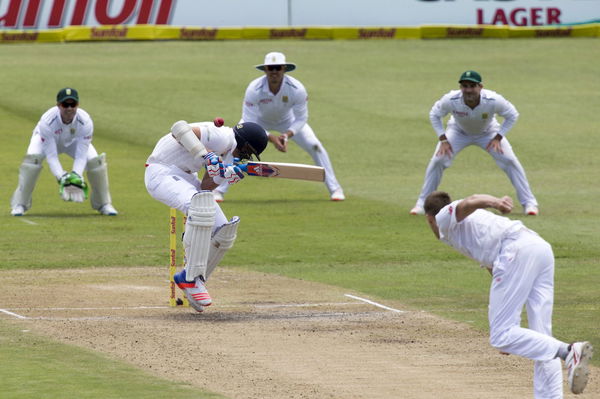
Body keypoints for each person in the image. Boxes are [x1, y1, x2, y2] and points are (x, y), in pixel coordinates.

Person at [424, 190, 593, 397]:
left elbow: (470, 201)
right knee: (540, 338)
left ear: (429, 218)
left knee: (501, 336)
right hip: (539, 249)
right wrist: (515, 338)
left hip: (515, 250)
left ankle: (569, 352)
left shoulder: (443, 219)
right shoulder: (468, 229)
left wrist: (497, 202)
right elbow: (494, 268)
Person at [145, 118, 268, 312]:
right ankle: (190, 279)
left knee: (224, 231)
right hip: (160, 172)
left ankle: (194, 280)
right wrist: (206, 156)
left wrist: (226, 174)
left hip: (184, 177)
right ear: (243, 143)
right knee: (200, 207)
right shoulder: (223, 137)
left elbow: (206, 186)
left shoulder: (228, 155)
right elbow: (178, 128)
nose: (246, 156)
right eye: (248, 151)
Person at [212, 51, 345, 202]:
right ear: (265, 70)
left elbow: (301, 118)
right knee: (235, 145)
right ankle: (218, 190)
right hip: (257, 122)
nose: (274, 72)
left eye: (278, 68)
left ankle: (335, 188)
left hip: (288, 122)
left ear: (284, 69)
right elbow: (249, 122)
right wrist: (273, 139)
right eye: (271, 68)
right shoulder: (254, 89)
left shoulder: (296, 89)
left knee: (315, 145)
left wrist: (287, 135)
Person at [410, 71, 538, 216]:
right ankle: (421, 204)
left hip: (488, 133)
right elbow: (434, 114)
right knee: (438, 160)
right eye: (465, 86)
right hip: (458, 132)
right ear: (460, 87)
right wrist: (443, 139)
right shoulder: (451, 99)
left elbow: (512, 115)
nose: (468, 90)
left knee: (509, 160)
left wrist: (498, 137)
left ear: (480, 86)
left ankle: (529, 203)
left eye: (472, 86)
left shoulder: (493, 100)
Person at [10, 87, 118, 216]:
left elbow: (81, 154)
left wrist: (77, 175)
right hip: (45, 140)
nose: (69, 108)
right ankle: (20, 204)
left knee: (95, 162)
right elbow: (51, 155)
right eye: (65, 104)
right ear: (58, 105)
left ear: (77, 105)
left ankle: (104, 204)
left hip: (72, 142)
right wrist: (61, 177)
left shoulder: (85, 121)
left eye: (73, 104)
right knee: (32, 161)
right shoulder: (47, 121)